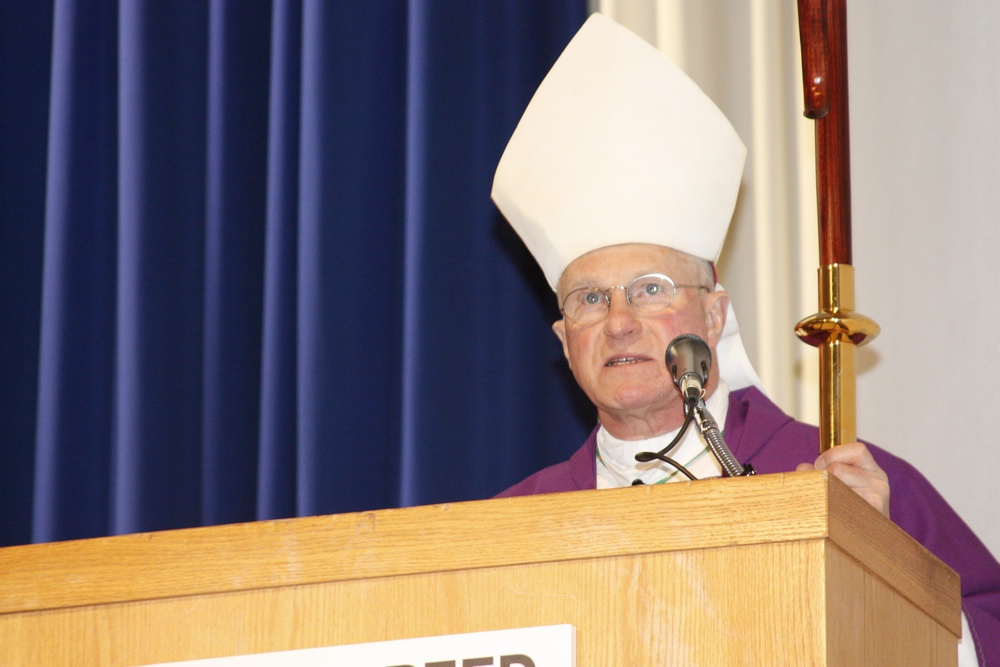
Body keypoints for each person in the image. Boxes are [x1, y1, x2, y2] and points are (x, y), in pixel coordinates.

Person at [490, 13, 1000, 666]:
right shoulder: (512, 524)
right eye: (591, 298)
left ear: (713, 314)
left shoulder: (839, 485)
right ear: (564, 341)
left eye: (650, 289)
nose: (619, 320)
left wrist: (882, 564)